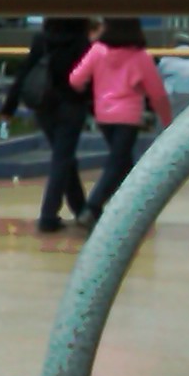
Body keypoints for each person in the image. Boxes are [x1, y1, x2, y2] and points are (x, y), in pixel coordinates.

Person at [67, 17, 172, 229]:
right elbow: (157, 93)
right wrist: (167, 120)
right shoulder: (140, 56)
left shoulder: (98, 50)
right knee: (117, 163)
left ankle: (132, 207)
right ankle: (92, 207)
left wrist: (89, 92)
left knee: (123, 163)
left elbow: (76, 79)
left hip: (104, 115)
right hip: (128, 117)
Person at [3, 17, 93, 232]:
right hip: (72, 106)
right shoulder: (82, 42)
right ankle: (48, 215)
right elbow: (90, 78)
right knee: (62, 159)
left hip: (44, 106)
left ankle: (80, 209)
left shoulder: (41, 39)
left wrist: (9, 107)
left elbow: (25, 71)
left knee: (65, 158)